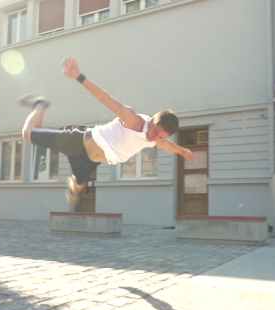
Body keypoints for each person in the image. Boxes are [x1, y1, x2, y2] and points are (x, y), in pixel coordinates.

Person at [20, 56, 194, 206]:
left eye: (160, 136)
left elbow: (166, 145)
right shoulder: (132, 118)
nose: (154, 138)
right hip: (77, 141)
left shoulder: (157, 138)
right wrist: (79, 76)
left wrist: (182, 151)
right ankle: (40, 104)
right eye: (155, 132)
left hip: (88, 162)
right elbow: (104, 97)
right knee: (28, 135)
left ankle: (75, 183)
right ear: (152, 120)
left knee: (80, 185)